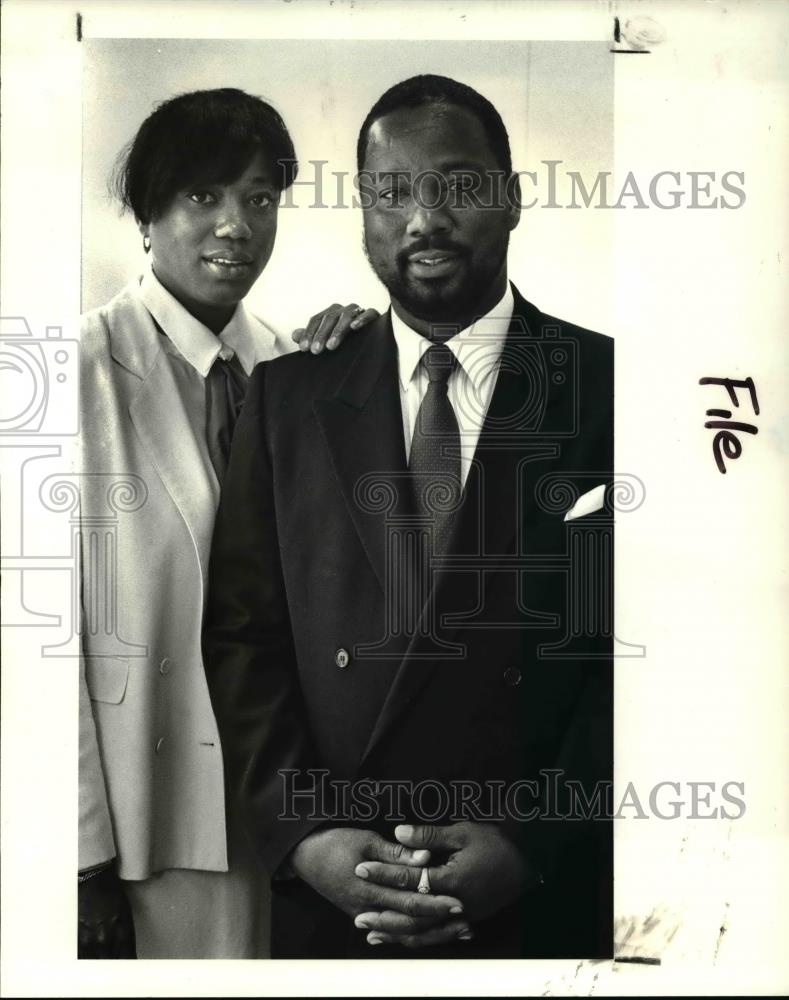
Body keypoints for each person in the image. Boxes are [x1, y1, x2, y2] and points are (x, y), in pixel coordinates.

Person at [203, 75, 614, 959]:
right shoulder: (287, 396)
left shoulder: (613, 385)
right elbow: (243, 638)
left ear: (508, 199)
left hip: (538, 888)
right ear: (361, 213)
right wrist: (305, 835)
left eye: (457, 185)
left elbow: (648, 659)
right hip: (339, 889)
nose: (422, 218)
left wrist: (530, 840)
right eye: (391, 193)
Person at [77, 87, 377, 959]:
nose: (236, 226)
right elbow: (33, 642)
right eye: (202, 197)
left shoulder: (296, 365)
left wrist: (370, 357)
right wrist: (79, 850)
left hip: (296, 810)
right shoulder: (72, 371)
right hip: (151, 811)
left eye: (257, 197)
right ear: (145, 215)